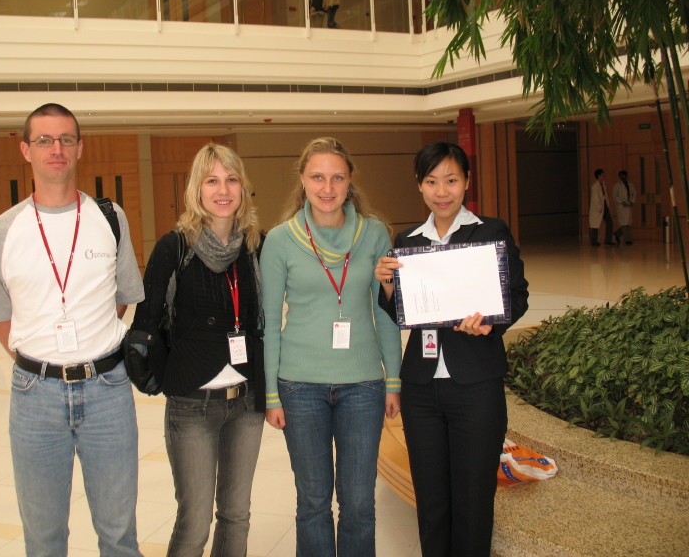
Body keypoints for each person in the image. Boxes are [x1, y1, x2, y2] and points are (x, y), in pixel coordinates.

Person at [0, 103, 145, 557]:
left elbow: (123, 295)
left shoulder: (110, 218)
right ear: (25, 150)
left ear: (79, 148)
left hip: (108, 390)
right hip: (35, 397)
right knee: (44, 538)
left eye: (66, 139)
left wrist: (90, 338)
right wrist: (40, 361)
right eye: (45, 140)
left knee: (119, 535)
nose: (57, 149)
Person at [374, 141, 528, 557]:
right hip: (421, 388)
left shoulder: (490, 232)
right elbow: (400, 312)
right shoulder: (408, 240)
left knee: (474, 498)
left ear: (467, 182)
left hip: (476, 384)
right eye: (431, 181)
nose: (442, 192)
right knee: (431, 500)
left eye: (451, 180)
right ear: (419, 185)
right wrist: (387, 284)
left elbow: (517, 295)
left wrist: (491, 323)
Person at [261, 137, 401, 557]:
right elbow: (269, 323)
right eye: (317, 177)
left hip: (363, 385)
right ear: (302, 180)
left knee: (358, 504)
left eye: (337, 177)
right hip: (299, 386)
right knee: (313, 503)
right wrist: (271, 394)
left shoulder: (374, 234)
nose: (327, 187)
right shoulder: (280, 241)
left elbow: (386, 312)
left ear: (350, 180)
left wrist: (393, 380)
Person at [131, 143, 265, 557]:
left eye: (231, 179)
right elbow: (145, 323)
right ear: (196, 189)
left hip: (247, 403)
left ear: (242, 187)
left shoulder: (254, 246)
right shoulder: (175, 247)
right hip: (192, 405)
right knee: (194, 521)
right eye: (212, 181)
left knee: (237, 515)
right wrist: (169, 378)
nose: (223, 190)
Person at [589, 168, 614, 246]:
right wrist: (599, 207)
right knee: (595, 224)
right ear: (599, 176)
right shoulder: (594, 186)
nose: (604, 176)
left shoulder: (603, 184)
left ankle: (608, 240)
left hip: (604, 206)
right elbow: (595, 198)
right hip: (598, 207)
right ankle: (593, 241)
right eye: (603, 175)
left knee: (610, 222)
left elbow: (605, 196)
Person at [612, 170, 637, 245]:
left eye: (623, 175)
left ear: (626, 176)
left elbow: (634, 193)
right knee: (624, 224)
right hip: (621, 207)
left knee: (628, 223)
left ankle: (617, 234)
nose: (622, 177)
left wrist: (632, 201)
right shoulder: (617, 185)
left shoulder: (630, 184)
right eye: (621, 175)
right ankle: (628, 240)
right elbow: (614, 196)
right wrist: (621, 202)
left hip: (628, 206)